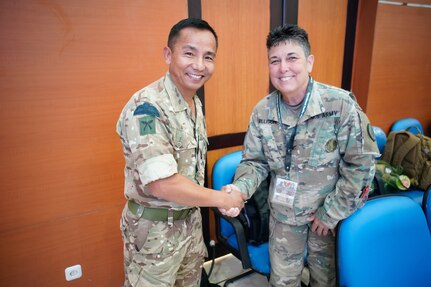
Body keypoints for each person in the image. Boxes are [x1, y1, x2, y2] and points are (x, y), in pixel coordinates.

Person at [231, 24, 379, 287]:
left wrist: (331, 213)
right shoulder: (262, 111)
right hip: (284, 219)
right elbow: (255, 162)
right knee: (282, 282)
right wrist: (239, 189)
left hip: (328, 222)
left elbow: (362, 166)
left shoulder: (339, 105)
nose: (283, 68)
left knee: (326, 281)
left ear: (309, 62)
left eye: (292, 58)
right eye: (274, 61)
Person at [116, 18, 245, 287]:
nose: (199, 65)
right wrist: (223, 199)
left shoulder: (192, 102)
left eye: (208, 57)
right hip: (154, 234)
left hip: (189, 225)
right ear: (168, 54)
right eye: (189, 53)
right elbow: (162, 183)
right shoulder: (147, 108)